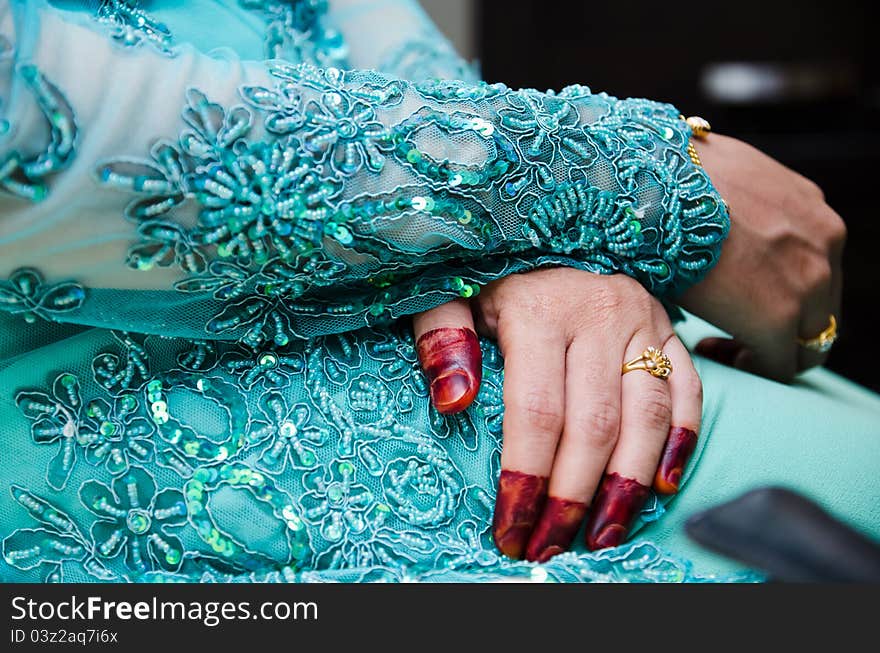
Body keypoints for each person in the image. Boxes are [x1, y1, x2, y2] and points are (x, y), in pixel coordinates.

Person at [0, 0, 876, 583]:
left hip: (424, 258)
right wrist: (621, 178)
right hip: (95, 384)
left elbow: (344, 25)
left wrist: (542, 244)